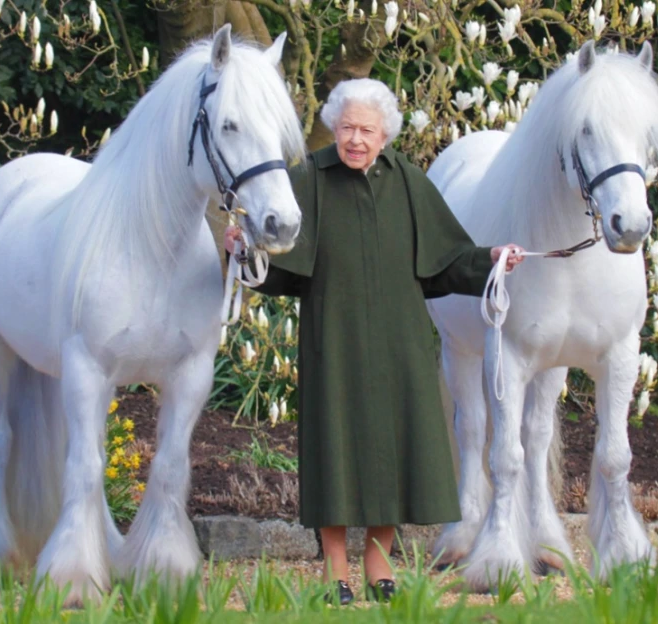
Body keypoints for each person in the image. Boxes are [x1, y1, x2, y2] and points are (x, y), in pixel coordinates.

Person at [224, 78, 525, 605]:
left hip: (399, 342)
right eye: (345, 128)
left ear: (385, 133)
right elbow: (277, 268)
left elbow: (447, 261)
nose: (355, 139)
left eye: (365, 129)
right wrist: (242, 251)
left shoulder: (408, 181)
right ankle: (335, 571)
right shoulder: (309, 180)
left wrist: (494, 258)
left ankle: (379, 563)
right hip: (332, 341)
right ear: (333, 130)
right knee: (334, 453)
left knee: (394, 452)